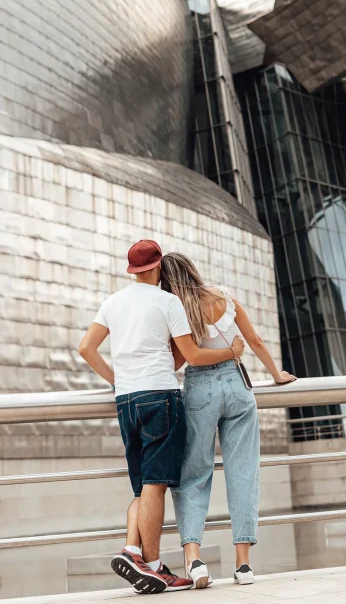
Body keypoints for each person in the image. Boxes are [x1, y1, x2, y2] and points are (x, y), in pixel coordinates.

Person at [79, 240, 246, 595]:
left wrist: (117, 380)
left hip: (126, 400)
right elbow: (192, 355)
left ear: (132, 269)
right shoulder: (168, 302)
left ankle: (133, 549)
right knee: (156, 483)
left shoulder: (112, 302)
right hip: (160, 397)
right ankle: (153, 567)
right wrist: (234, 350)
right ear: (157, 268)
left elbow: (85, 348)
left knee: (142, 484)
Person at [160, 252, 296, 589]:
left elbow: (181, 359)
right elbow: (255, 340)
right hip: (238, 387)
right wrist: (276, 374)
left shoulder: (176, 309)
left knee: (193, 474)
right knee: (243, 472)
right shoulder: (224, 295)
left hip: (199, 389)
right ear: (193, 270)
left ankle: (194, 560)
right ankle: (244, 565)